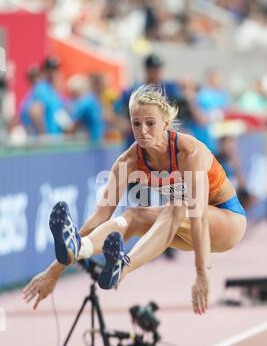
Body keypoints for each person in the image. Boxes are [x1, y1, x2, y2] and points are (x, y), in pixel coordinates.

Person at [23, 85, 247, 316]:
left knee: (178, 205)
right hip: (179, 226)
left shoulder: (189, 153)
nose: (142, 131)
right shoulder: (128, 160)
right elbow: (99, 217)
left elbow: (198, 217)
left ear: (166, 124)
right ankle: (82, 248)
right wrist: (54, 271)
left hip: (227, 222)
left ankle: (122, 267)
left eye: (150, 123)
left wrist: (202, 274)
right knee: (133, 215)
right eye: (136, 123)